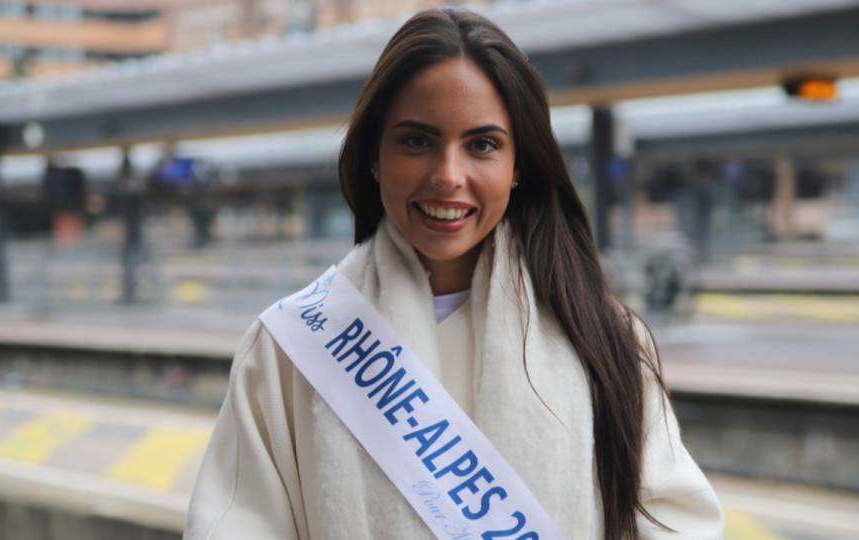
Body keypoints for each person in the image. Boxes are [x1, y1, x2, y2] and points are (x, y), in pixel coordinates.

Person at [184, 7, 723, 540]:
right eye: (416, 140)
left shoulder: (605, 341)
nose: (448, 176)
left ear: (519, 166)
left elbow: (677, 523)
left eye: (482, 145)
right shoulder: (287, 349)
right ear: (375, 155)